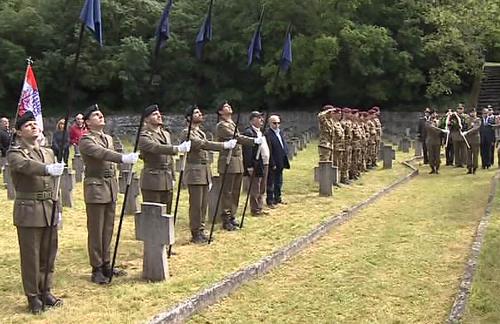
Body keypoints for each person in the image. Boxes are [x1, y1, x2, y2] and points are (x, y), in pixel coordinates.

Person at [7, 112, 65, 314]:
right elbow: (25, 166)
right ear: (18, 132)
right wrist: (48, 169)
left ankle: (46, 290)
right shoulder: (15, 153)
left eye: (35, 124)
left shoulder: (47, 152)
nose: (33, 127)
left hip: (49, 206)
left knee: (48, 253)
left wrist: (58, 209)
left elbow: (54, 183)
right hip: (29, 209)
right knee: (31, 256)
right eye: (28, 125)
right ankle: (33, 296)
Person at [78, 105, 139, 284]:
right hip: (96, 187)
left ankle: (106, 262)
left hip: (110, 186)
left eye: (101, 114)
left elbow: (109, 151)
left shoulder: (108, 138)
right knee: (96, 229)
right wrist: (123, 158)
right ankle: (96, 268)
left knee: (108, 228)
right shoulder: (86, 140)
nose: (101, 116)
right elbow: (101, 153)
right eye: (96, 115)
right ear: (88, 122)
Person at [183, 106, 235, 242]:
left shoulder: (200, 132)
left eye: (200, 112)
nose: (200, 114)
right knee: (196, 204)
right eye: (196, 113)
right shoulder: (187, 132)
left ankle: (201, 230)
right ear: (189, 118)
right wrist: (223, 146)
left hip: (204, 171)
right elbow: (202, 145)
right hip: (195, 172)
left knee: (203, 204)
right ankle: (195, 233)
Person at [216, 102, 261, 231]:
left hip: (237, 162)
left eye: (229, 106)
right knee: (227, 192)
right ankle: (226, 217)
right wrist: (253, 141)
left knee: (236, 191)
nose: (229, 107)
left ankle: (232, 216)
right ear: (220, 112)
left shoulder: (231, 123)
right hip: (228, 162)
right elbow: (236, 137)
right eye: (225, 106)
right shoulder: (221, 126)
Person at [138, 105, 191, 213]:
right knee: (154, 214)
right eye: (154, 114)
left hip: (166, 179)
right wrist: (177, 148)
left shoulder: (166, 134)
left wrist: (173, 177)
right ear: (146, 119)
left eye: (159, 113)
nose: (158, 115)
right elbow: (156, 148)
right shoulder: (143, 136)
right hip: (153, 179)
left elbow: (169, 159)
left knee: (167, 213)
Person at [242, 111, 270, 216]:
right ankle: (255, 209)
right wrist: (249, 166)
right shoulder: (249, 132)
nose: (261, 120)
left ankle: (260, 206)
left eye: (261, 118)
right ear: (252, 120)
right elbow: (247, 150)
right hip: (255, 163)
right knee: (255, 187)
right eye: (258, 118)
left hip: (264, 162)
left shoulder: (261, 132)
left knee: (262, 186)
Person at [265, 114, 290, 207]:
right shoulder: (268, 134)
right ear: (270, 123)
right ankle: (270, 200)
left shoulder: (280, 132)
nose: (277, 125)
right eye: (274, 123)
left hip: (281, 160)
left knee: (279, 181)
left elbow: (283, 145)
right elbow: (269, 150)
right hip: (273, 161)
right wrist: (272, 163)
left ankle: (278, 198)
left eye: (278, 123)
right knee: (271, 182)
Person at [464, 109, 481, 174]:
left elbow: (476, 128)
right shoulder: (467, 120)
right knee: (468, 154)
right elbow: (464, 126)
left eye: (474, 112)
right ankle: (469, 167)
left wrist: (467, 131)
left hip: (475, 139)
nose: (472, 113)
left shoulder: (478, 120)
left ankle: (474, 167)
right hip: (468, 139)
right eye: (471, 112)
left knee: (475, 155)